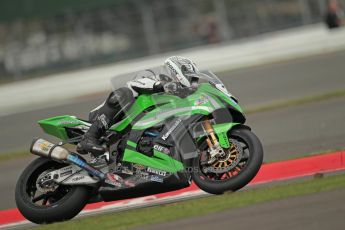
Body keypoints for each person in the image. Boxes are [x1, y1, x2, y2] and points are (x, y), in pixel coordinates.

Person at [76, 56, 199, 157]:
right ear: (177, 71)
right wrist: (162, 86)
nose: (194, 82)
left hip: (130, 135)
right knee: (124, 93)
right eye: (191, 77)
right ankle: (90, 137)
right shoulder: (152, 77)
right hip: (105, 119)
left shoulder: (176, 97)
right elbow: (134, 84)